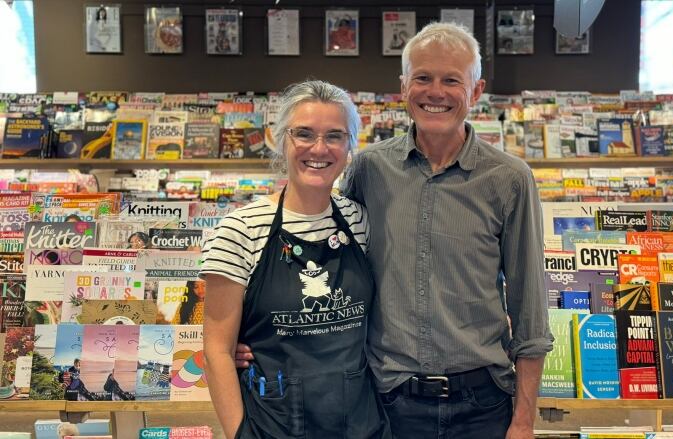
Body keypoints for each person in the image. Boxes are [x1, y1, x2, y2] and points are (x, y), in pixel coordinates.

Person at [235, 23, 553, 439]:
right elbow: (329, 263)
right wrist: (260, 338)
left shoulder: (509, 179)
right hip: (388, 402)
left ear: (476, 92)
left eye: (451, 80)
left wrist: (524, 420)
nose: (434, 92)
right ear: (404, 87)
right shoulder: (368, 169)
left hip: (483, 404)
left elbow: (530, 310)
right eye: (422, 78)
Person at [201, 80, 386, 439]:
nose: (319, 149)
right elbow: (217, 351)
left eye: (334, 136)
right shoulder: (240, 229)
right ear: (280, 139)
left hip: (361, 425)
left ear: (350, 146)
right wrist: (241, 433)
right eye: (304, 134)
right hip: (273, 424)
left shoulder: (361, 221)